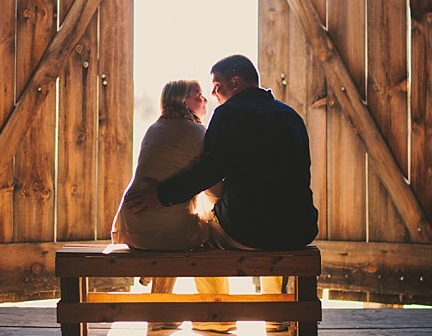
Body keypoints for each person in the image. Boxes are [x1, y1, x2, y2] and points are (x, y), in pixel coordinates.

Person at [126, 55, 318, 319]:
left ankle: (215, 319)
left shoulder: (228, 114)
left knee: (201, 229)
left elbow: (208, 172)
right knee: (272, 219)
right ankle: (277, 317)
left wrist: (161, 195)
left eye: (217, 85)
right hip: (299, 229)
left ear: (235, 82)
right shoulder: (290, 115)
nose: (213, 93)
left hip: (247, 234)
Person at [110, 79, 230, 332]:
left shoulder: (154, 128)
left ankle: (160, 312)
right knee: (209, 230)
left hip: (132, 226)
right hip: (165, 232)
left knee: (177, 223)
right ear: (183, 101)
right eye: (198, 95)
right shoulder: (197, 133)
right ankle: (215, 317)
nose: (205, 99)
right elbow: (213, 189)